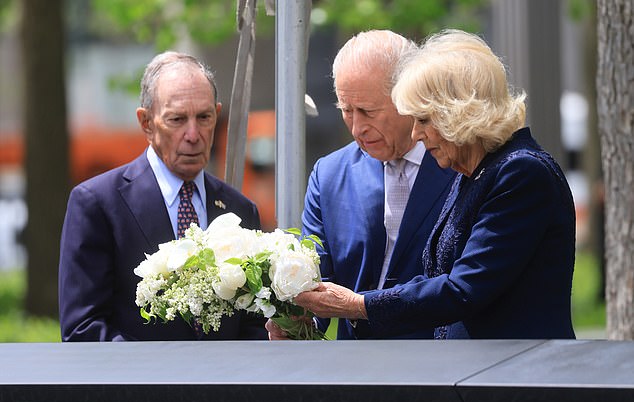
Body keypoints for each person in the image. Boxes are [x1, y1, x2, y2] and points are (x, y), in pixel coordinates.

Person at [286, 29, 577, 340]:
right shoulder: (473, 172)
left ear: (462, 111)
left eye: (423, 119)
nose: (416, 134)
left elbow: (464, 288)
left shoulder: (520, 172)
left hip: (518, 366)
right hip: (471, 366)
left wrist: (359, 305)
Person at [59, 51, 266, 341]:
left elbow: (254, 325)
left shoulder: (240, 210)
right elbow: (83, 330)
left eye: (204, 117)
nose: (193, 135)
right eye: (177, 119)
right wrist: (157, 366)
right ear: (146, 122)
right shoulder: (97, 204)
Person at [267, 30, 455, 340]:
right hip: (354, 361)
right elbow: (315, 278)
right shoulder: (329, 175)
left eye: (368, 112)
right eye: (346, 111)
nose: (357, 128)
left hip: (444, 357)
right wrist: (296, 322)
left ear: (410, 97)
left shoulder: (459, 164)